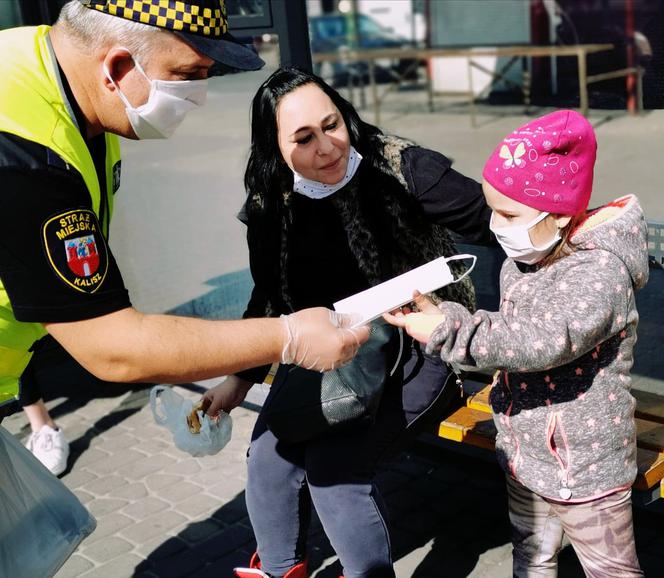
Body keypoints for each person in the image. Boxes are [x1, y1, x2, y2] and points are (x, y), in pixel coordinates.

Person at [0, 2, 369, 439]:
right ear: (117, 67)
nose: (200, 95)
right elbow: (114, 347)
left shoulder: (61, 81)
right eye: (187, 75)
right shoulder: (23, 153)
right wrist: (288, 337)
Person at [202, 67, 492, 578]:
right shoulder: (271, 202)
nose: (328, 147)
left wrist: (580, 241)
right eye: (304, 138)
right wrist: (238, 378)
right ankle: (278, 571)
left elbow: (501, 219)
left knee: (333, 469)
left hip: (420, 345)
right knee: (268, 458)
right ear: (276, 149)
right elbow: (268, 295)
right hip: (326, 350)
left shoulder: (400, 168)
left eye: (332, 124)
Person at [386, 110, 647, 577]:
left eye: (509, 214)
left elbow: (542, 341)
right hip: (526, 455)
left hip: (587, 465)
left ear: (561, 214)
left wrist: (451, 332)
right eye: (491, 209)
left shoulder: (600, 272)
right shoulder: (525, 258)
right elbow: (507, 332)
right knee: (531, 558)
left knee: (611, 570)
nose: (496, 225)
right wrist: (444, 315)